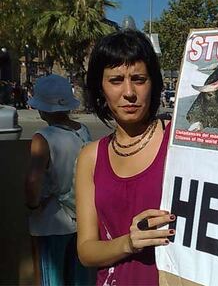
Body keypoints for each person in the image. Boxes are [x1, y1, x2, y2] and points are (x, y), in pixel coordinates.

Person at [76, 29, 176, 286]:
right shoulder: (91, 156)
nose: (129, 92)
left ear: (153, 83)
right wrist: (128, 243)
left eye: (139, 79)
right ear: (101, 88)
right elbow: (87, 251)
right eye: (116, 80)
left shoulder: (178, 142)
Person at [24, 74, 93, 285]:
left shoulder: (43, 137)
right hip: (81, 219)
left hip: (50, 221)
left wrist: (33, 206)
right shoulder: (84, 131)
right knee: (78, 278)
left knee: (50, 278)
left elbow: (34, 180)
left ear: (43, 108)